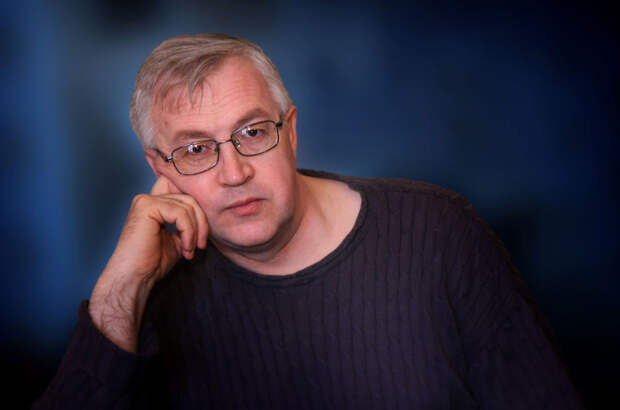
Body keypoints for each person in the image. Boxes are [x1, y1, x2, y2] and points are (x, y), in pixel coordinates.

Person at [33, 33, 583, 409]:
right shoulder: (148, 292)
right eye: (196, 149)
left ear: (290, 132)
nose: (234, 173)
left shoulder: (439, 233)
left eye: (252, 132)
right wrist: (123, 288)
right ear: (160, 169)